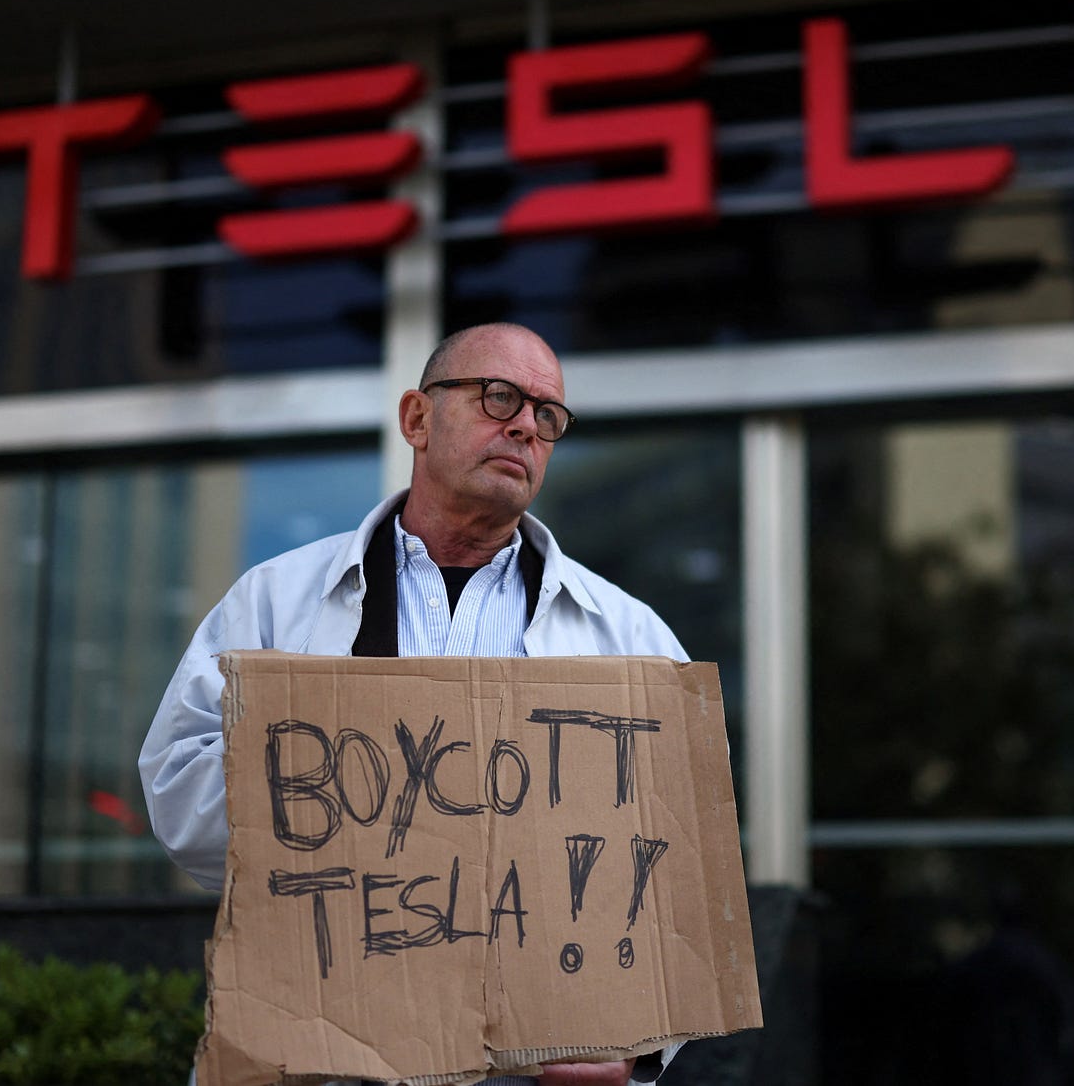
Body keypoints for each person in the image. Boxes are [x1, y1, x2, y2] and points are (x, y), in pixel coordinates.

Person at [139, 323, 688, 1086]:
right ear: (417, 419)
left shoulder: (630, 636)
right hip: (321, 1058)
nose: (526, 425)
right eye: (499, 397)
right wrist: (338, 794)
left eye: (548, 416)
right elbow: (179, 804)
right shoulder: (274, 604)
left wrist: (638, 1046)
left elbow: (684, 862)